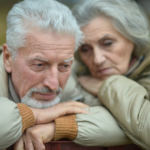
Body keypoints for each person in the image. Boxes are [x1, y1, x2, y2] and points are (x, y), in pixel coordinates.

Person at [14, 0, 150, 149]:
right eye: (85, 49)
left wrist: (106, 86)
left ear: (133, 38)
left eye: (107, 43)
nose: (97, 60)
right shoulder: (74, 71)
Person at [0, 0, 89, 149]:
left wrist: (58, 126)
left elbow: (130, 122)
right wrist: (35, 115)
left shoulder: (71, 82)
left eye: (64, 65)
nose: (53, 84)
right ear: (8, 58)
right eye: (39, 65)